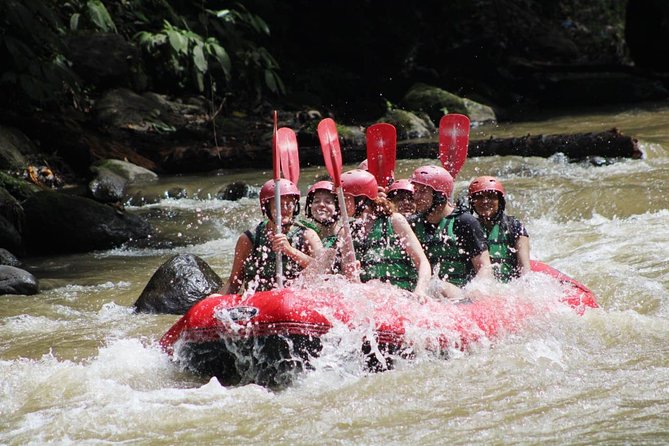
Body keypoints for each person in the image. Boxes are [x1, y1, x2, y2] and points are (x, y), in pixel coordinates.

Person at [338, 169, 431, 297]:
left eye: (345, 198)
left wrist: (420, 290)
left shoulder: (394, 221)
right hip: (371, 301)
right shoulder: (346, 232)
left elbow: (423, 262)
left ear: (361, 199)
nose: (340, 204)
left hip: (404, 297)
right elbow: (353, 285)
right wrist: (351, 276)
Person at [222, 178, 323, 294]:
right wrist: (216, 301)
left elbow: (323, 270)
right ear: (266, 207)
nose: (285, 209)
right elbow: (234, 283)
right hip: (259, 301)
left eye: (289, 203)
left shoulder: (307, 235)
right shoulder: (249, 239)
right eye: (279, 204)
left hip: (294, 302)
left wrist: (290, 251)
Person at [408, 165, 493, 300]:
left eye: (423, 191)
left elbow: (484, 267)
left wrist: (476, 291)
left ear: (439, 196)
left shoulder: (465, 222)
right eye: (415, 191)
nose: (416, 197)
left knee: (437, 286)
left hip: (459, 294)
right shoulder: (412, 223)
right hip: (423, 293)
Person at [468, 176, 531, 282]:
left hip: (509, 285)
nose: (485, 201)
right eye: (479, 197)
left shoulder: (514, 226)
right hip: (481, 286)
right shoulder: (467, 227)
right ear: (472, 203)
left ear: (500, 201)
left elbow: (524, 267)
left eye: (491, 196)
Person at [304, 180, 340, 248]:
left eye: (328, 202)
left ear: (337, 207)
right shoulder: (304, 233)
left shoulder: (344, 234)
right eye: (316, 201)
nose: (321, 204)